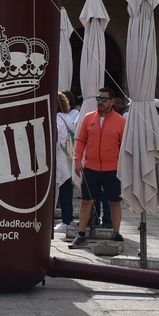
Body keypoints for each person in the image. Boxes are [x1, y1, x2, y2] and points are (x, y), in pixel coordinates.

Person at [70, 86, 125, 248]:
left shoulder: (121, 121)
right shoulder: (88, 118)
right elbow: (80, 141)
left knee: (114, 201)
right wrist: (77, 160)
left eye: (103, 99)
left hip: (112, 168)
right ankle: (81, 234)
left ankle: (116, 232)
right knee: (86, 201)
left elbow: (123, 146)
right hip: (91, 167)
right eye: (98, 99)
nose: (100, 102)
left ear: (112, 101)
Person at [54, 91, 75, 234]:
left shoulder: (56, 118)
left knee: (62, 190)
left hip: (60, 156)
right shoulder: (66, 117)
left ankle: (66, 220)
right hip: (68, 156)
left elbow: (53, 137)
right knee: (67, 189)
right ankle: (69, 219)